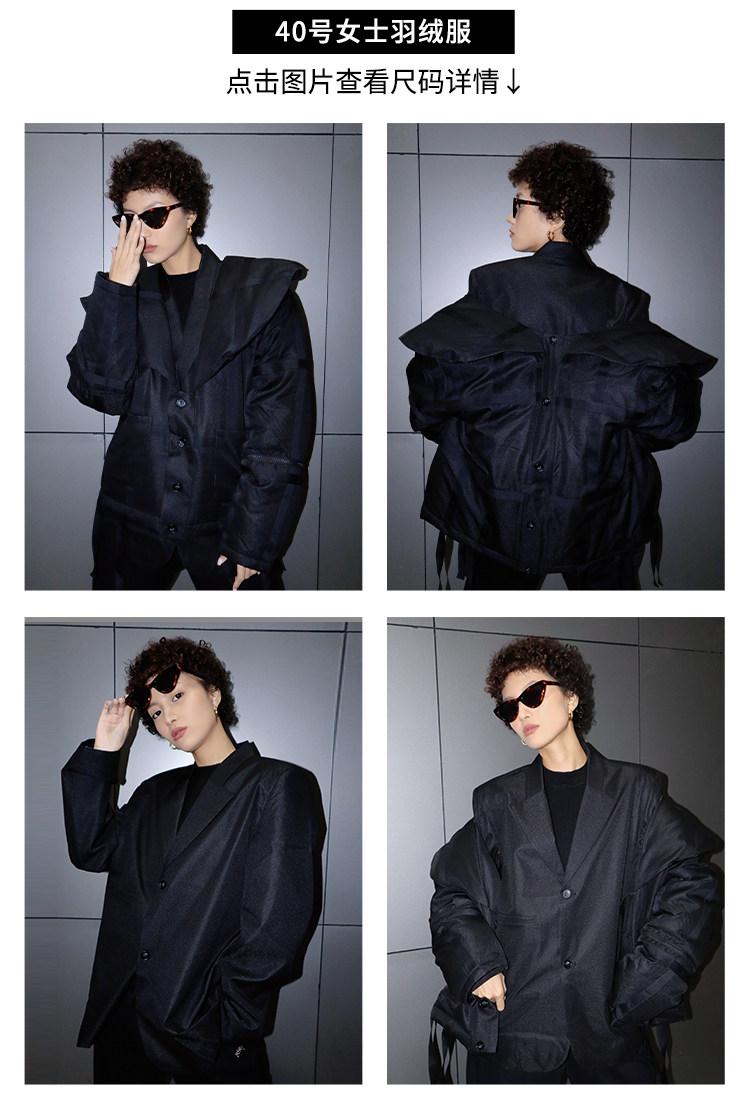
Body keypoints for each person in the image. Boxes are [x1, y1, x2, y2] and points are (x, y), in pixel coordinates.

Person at [402, 141, 717, 589]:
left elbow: (428, 404)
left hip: (493, 513)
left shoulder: (489, 291)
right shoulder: (623, 302)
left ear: (557, 214)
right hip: (600, 519)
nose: (509, 216)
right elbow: (671, 421)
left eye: (519, 203)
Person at [428, 636, 721, 1084]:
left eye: (532, 695)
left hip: (610, 1029)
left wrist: (642, 984)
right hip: (516, 1028)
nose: (521, 713)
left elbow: (694, 887)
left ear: (572, 698)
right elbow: (452, 892)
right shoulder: (497, 801)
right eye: (509, 708)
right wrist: (478, 966)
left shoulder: (635, 792)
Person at [61, 635, 324, 1084]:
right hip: (122, 1022)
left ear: (215, 694)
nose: (168, 717)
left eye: (178, 696)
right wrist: (105, 752)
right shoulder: (154, 793)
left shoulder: (276, 784)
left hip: (203, 1032)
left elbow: (276, 927)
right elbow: (91, 848)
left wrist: (223, 1021)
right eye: (155, 712)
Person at [67, 138, 315, 590]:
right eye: (127, 218)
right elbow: (103, 394)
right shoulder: (122, 297)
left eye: (154, 215)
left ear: (191, 214)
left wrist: (253, 539)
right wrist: (117, 290)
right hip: (133, 517)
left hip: (227, 522)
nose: (139, 231)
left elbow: (279, 432)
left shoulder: (261, 297)